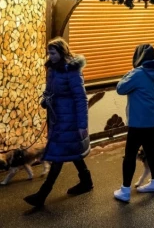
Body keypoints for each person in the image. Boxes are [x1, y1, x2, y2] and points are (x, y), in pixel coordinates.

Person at [24, 38, 91, 208]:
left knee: (59, 154)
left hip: (69, 119)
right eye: (49, 52)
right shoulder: (52, 69)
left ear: (61, 52)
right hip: (57, 117)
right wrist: (46, 99)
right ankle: (86, 181)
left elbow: (81, 98)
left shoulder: (72, 71)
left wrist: (82, 125)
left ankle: (42, 194)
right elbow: (49, 90)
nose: (50, 55)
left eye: (53, 52)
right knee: (71, 150)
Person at [113, 44, 154, 202]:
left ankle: (125, 190)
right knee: (150, 149)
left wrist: (131, 71)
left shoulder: (137, 74)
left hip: (139, 121)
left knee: (130, 154)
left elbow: (120, 88)